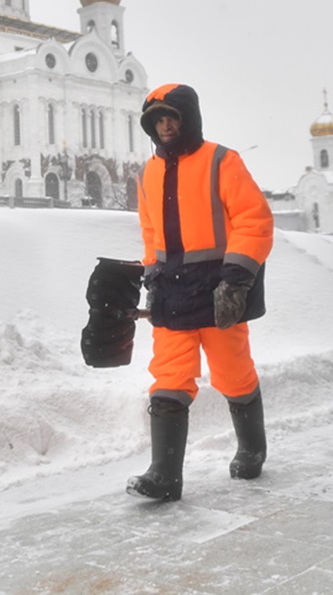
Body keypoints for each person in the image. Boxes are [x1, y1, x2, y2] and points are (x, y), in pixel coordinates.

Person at [127, 83, 274, 501]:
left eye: (171, 117)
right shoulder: (147, 174)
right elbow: (151, 234)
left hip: (217, 290)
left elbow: (254, 220)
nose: (165, 126)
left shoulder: (222, 161)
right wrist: (150, 281)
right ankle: (164, 476)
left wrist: (236, 280)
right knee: (169, 375)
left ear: (188, 118)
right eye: (157, 120)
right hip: (171, 294)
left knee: (233, 372)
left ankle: (252, 448)